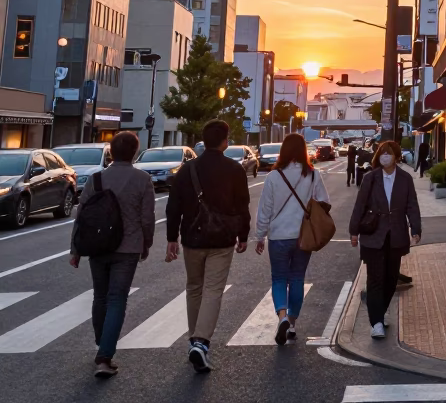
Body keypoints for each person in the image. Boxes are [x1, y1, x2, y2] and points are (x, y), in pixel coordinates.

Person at [165, 119, 251, 373]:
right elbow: (242, 206)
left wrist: (172, 238)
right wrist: (243, 235)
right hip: (222, 239)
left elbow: (173, 207)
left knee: (194, 288)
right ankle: (201, 343)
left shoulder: (187, 170)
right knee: (213, 289)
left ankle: (195, 340)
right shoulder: (234, 170)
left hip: (192, 238)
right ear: (225, 141)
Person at [69, 130, 155, 378]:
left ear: (111, 152)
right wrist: (145, 243)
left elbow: (81, 217)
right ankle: (105, 356)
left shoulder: (96, 180)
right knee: (117, 298)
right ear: (134, 152)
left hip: (97, 247)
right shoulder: (142, 179)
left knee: (101, 296)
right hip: (127, 248)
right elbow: (147, 218)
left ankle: (102, 343)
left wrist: (75, 250)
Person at [254, 133, 331, 345]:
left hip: (278, 236)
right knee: (297, 278)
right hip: (303, 236)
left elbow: (265, 210)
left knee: (279, 278)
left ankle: (281, 317)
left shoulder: (273, 176)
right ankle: (292, 322)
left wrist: (260, 236)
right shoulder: (313, 175)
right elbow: (325, 202)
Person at [349, 140, 421, 339]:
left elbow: (411, 205)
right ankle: (376, 322)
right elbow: (359, 205)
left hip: (396, 235)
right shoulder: (370, 178)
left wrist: (416, 229)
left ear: (396, 156)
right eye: (382, 153)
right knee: (375, 279)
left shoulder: (405, 179)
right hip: (373, 235)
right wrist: (354, 232)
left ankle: (381, 310)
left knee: (390, 278)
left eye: (388, 153)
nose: (385, 156)